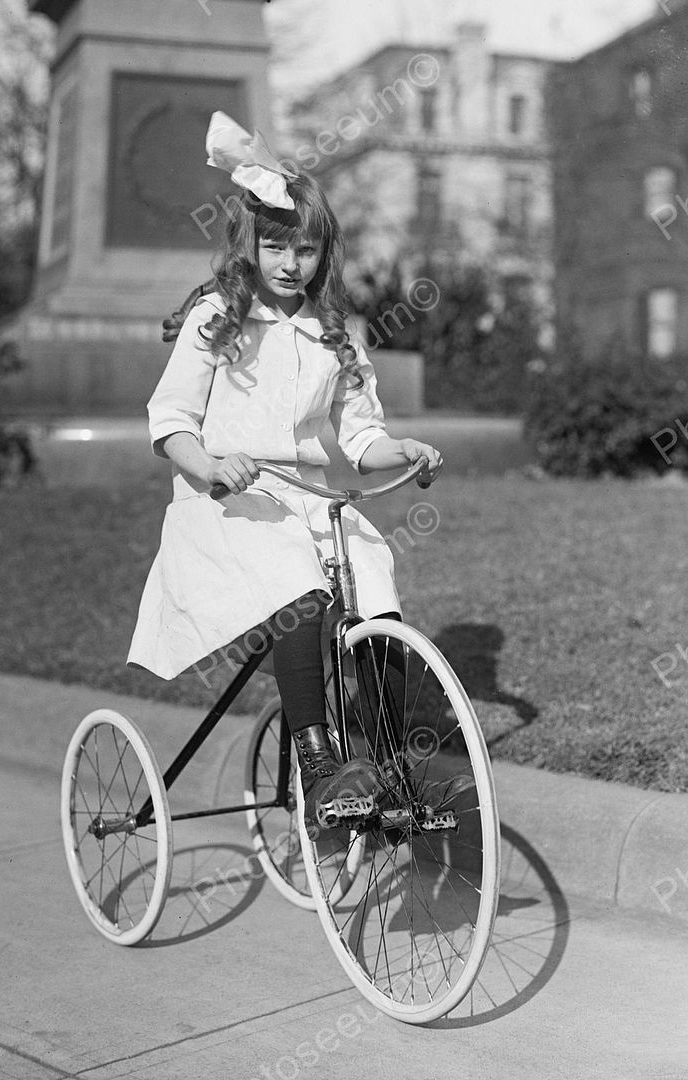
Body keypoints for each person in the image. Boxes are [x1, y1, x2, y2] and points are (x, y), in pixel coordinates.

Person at [127, 113, 442, 834]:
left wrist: (408, 451)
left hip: (306, 498)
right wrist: (211, 466)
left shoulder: (335, 334)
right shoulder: (218, 318)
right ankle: (320, 768)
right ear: (250, 245)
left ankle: (390, 767)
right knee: (298, 584)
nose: (289, 263)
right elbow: (169, 421)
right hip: (229, 504)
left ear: (321, 254)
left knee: (370, 572)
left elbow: (362, 439)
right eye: (275, 246)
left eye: (304, 249)